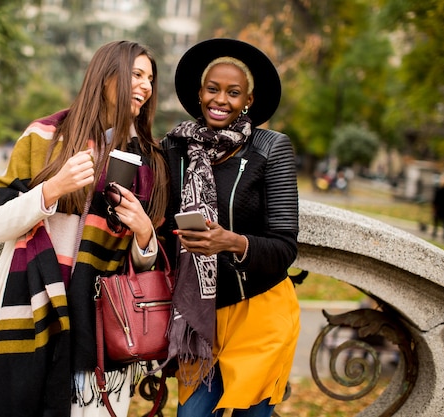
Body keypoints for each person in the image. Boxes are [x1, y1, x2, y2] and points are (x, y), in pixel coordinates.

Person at [0, 40, 169, 417]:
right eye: (136, 74)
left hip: (101, 322)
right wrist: (54, 187)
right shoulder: (45, 136)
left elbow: (145, 263)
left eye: (150, 78)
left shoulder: (148, 160)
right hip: (32, 305)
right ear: (106, 77)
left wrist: (143, 233)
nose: (146, 87)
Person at [159, 38, 300, 417]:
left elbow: (286, 247)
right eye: (213, 89)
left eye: (233, 92)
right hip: (199, 315)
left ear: (248, 100)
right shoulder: (175, 148)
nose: (221, 99)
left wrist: (231, 242)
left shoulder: (271, 148)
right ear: (200, 93)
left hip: (260, 311)